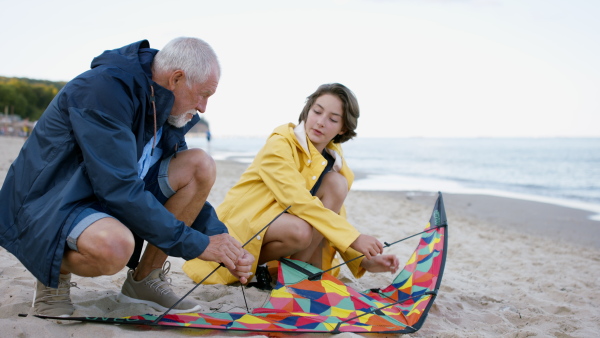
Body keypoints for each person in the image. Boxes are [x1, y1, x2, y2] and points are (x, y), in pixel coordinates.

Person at [0, 37, 254, 317]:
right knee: (115, 247)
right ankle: (52, 277)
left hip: (105, 196)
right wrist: (199, 245)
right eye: (203, 94)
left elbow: (180, 195)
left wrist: (221, 240)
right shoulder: (103, 91)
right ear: (177, 78)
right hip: (54, 199)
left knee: (200, 165)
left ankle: (146, 279)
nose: (204, 107)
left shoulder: (164, 105)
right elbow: (119, 189)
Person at [183, 83, 399, 288]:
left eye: (333, 119)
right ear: (307, 111)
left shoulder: (333, 159)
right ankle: (288, 277)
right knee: (300, 230)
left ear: (343, 128)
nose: (320, 122)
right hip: (246, 224)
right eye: (317, 111)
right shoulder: (280, 143)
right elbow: (296, 200)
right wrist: (354, 239)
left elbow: (332, 215)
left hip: (281, 229)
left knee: (336, 185)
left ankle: (296, 277)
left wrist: (362, 260)